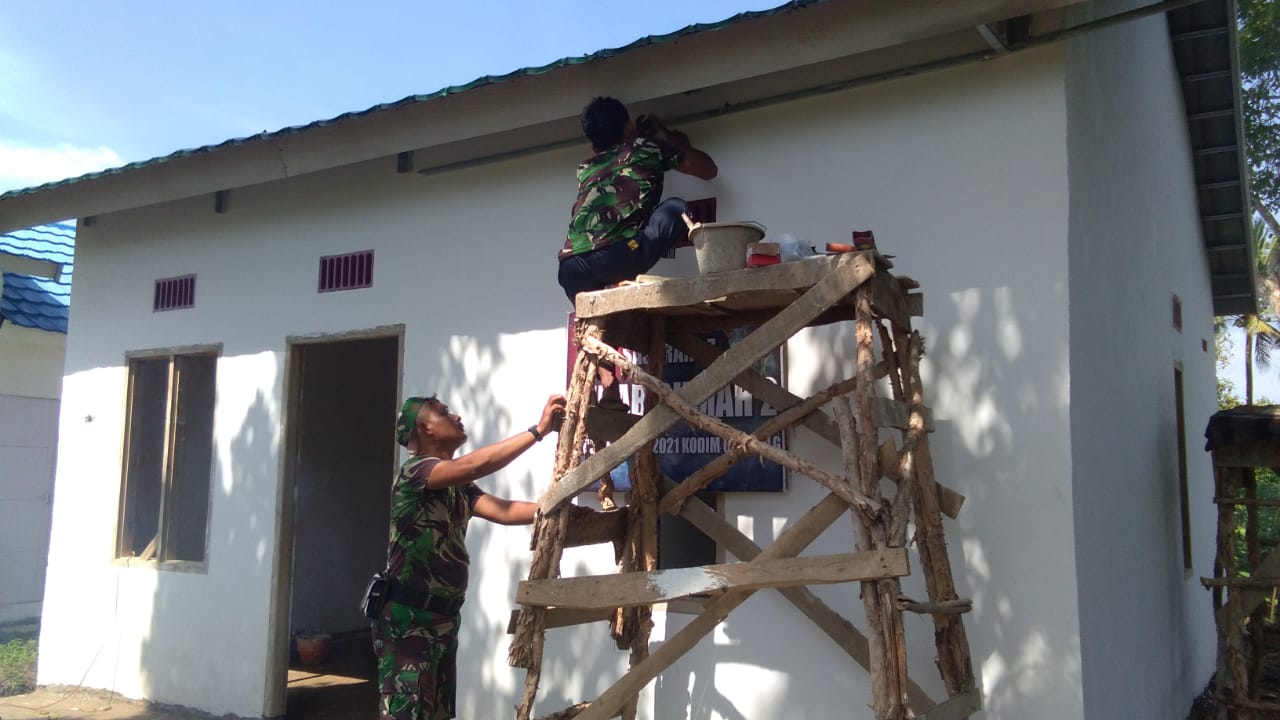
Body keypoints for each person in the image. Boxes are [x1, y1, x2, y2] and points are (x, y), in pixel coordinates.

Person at [372, 393, 566, 720]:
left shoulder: (458, 486)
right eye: (444, 412)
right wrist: (538, 431)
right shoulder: (414, 473)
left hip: (444, 620)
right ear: (425, 428)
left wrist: (559, 511)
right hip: (410, 622)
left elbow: (504, 510)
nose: (457, 417)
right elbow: (474, 465)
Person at [557, 95, 719, 300]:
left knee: (602, 318)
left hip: (571, 268)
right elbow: (708, 170)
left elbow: (621, 157)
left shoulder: (585, 168)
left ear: (594, 147)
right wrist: (679, 144)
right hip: (618, 256)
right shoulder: (647, 149)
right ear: (629, 126)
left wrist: (634, 138)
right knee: (677, 209)